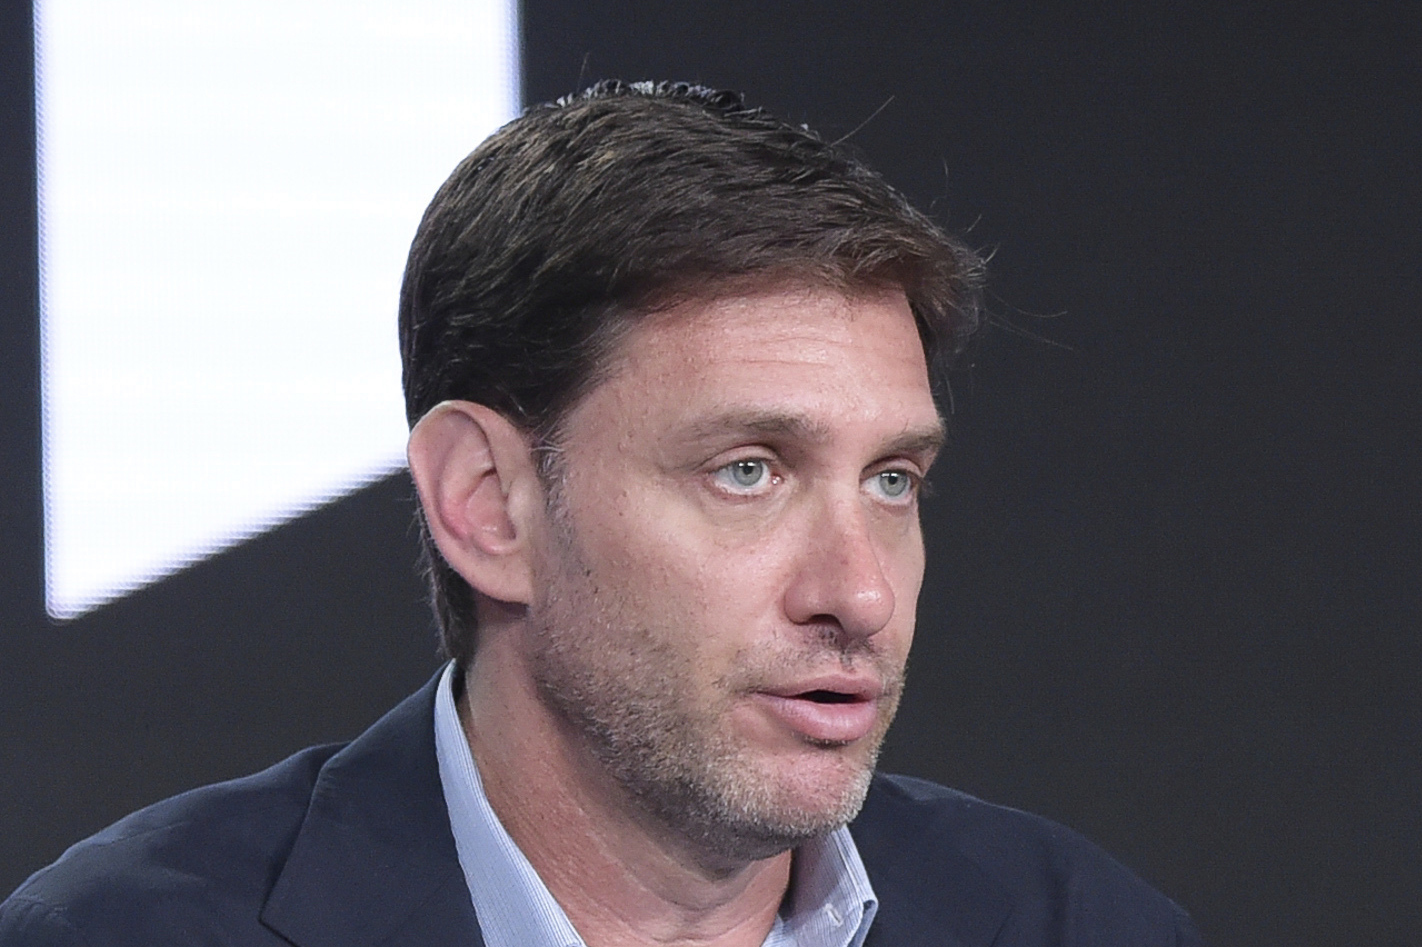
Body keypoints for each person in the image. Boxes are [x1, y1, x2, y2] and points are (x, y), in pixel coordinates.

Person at [0, 80, 1201, 947]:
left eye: (892, 479)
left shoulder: (1082, 925)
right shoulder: (122, 933)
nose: (862, 591)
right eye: (749, 469)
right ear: (489, 504)